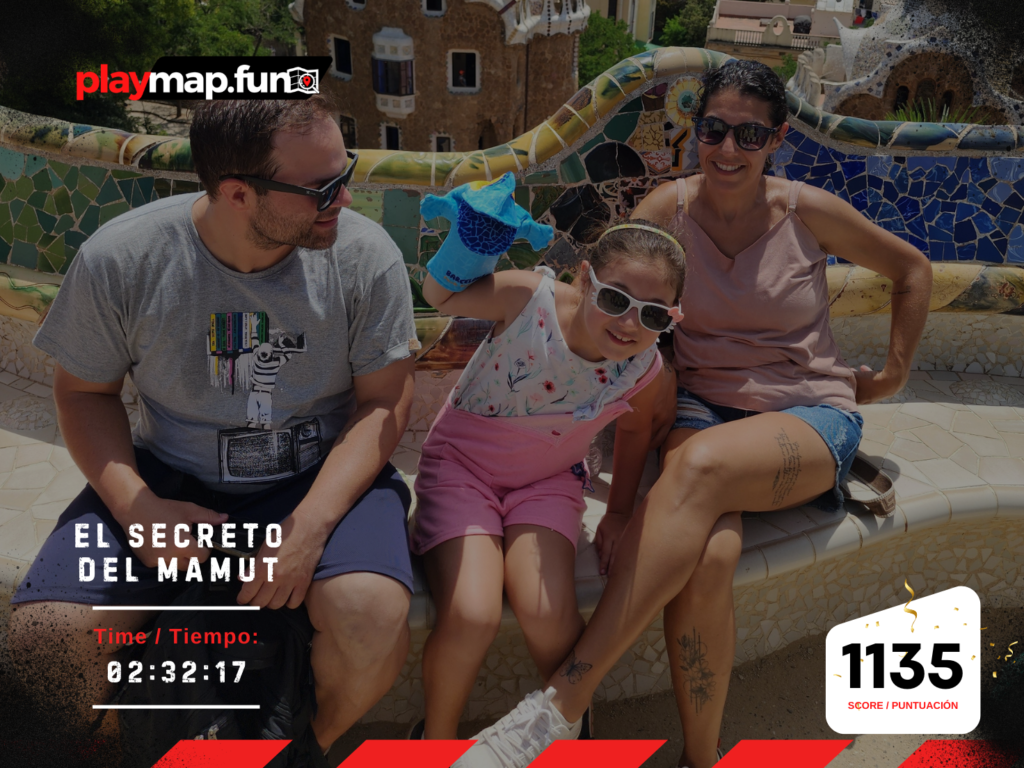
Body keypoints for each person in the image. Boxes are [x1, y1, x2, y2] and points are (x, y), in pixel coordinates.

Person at [453, 60, 932, 768]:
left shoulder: (806, 211)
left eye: (749, 134)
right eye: (713, 129)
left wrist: (890, 376)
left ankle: (558, 705)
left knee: (701, 466)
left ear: (777, 139)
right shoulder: (668, 212)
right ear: (695, 131)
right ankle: (701, 759)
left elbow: (912, 269)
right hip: (703, 412)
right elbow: (609, 299)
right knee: (708, 560)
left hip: (806, 416)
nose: (728, 148)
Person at [8, 97, 418, 758]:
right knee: (45, 645)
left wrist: (310, 527)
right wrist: (137, 508)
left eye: (345, 175)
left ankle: (297, 754)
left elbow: (386, 401)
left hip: (317, 476)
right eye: (323, 189)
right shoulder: (123, 258)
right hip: (169, 475)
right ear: (237, 193)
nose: (345, 200)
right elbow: (83, 394)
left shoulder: (364, 256)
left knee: (368, 612)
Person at [409, 194, 687, 740]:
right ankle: (434, 742)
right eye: (614, 298)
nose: (629, 323)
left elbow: (634, 429)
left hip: (547, 480)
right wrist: (472, 243)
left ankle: (566, 732)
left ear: (672, 315)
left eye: (654, 313)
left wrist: (619, 513)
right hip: (462, 469)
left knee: (546, 614)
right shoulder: (527, 298)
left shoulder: (643, 366)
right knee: (472, 614)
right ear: (584, 279)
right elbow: (439, 297)